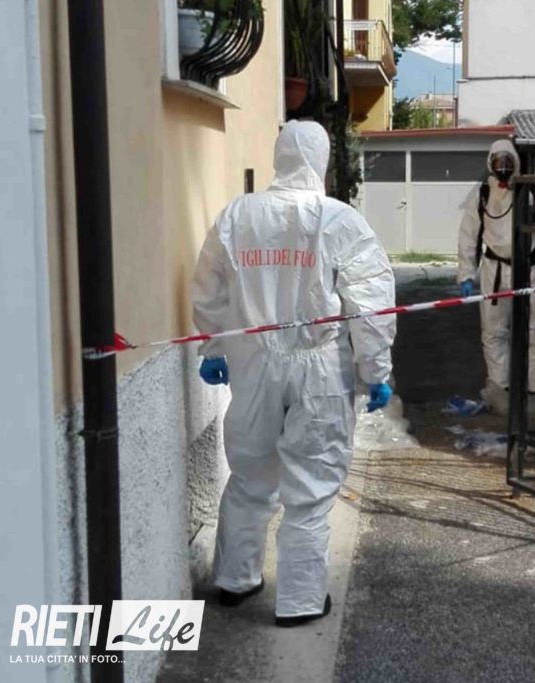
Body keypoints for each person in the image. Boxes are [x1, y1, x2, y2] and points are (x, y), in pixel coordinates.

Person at [191, 121, 396, 627]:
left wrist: (214, 345)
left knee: (250, 473)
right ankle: (301, 599)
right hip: (318, 367)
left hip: (253, 363)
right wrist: (375, 370)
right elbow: (370, 303)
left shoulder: (237, 215)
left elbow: (209, 286)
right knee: (312, 480)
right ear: (321, 160)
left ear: (278, 156)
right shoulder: (339, 220)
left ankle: (235, 580)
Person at [456, 139, 535, 412]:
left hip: (529, 269)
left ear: (516, 162)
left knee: (533, 330)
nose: (503, 167)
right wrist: (466, 273)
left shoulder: (533, 190)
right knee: (494, 332)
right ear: (490, 164)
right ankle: (500, 388)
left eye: (508, 161)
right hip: (495, 270)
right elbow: (468, 235)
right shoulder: (482, 193)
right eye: (498, 162)